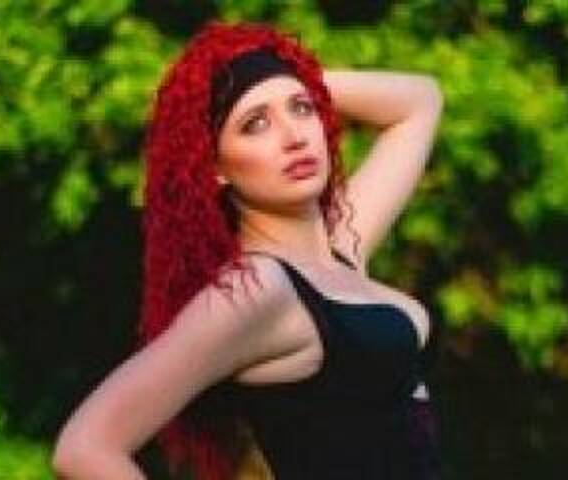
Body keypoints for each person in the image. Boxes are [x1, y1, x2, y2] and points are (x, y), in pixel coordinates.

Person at [52, 19, 444, 480]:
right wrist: (204, 106)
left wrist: (289, 73)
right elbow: (84, 447)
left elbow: (420, 100)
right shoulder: (258, 289)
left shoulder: (339, 252)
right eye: (255, 124)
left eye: (302, 108)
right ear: (214, 168)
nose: (294, 136)